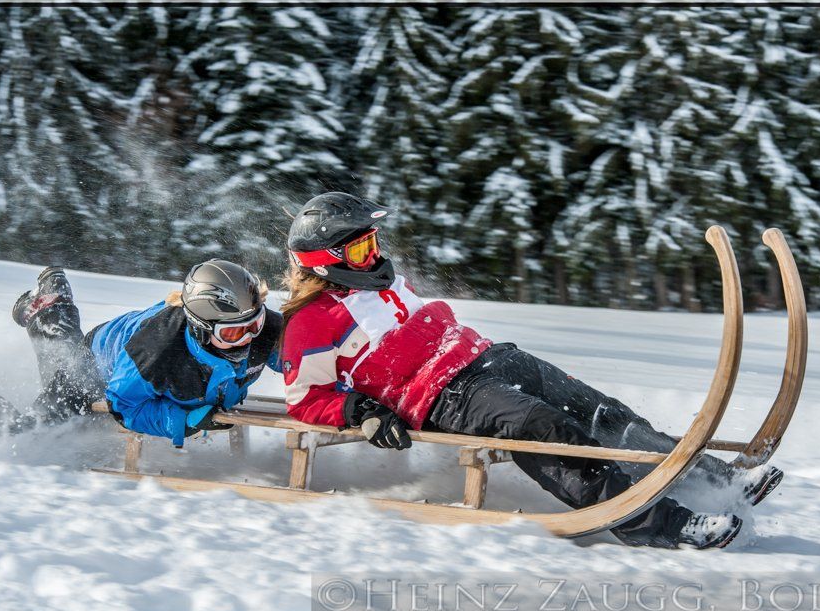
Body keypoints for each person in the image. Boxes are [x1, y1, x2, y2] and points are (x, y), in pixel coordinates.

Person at [277, 192, 783, 550]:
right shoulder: (310, 323)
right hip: (442, 398)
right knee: (546, 430)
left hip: (483, 356)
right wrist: (359, 409)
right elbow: (305, 399)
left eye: (374, 241)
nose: (375, 254)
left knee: (598, 409)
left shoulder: (378, 282)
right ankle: (660, 523)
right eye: (362, 247)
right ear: (326, 260)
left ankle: (709, 478)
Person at [2, 259, 282, 446]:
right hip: (95, 368)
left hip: (135, 346)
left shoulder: (265, 330)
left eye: (254, 324)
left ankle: (53, 305)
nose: (247, 340)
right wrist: (182, 421)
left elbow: (299, 360)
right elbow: (124, 406)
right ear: (201, 328)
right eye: (232, 333)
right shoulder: (156, 352)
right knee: (31, 432)